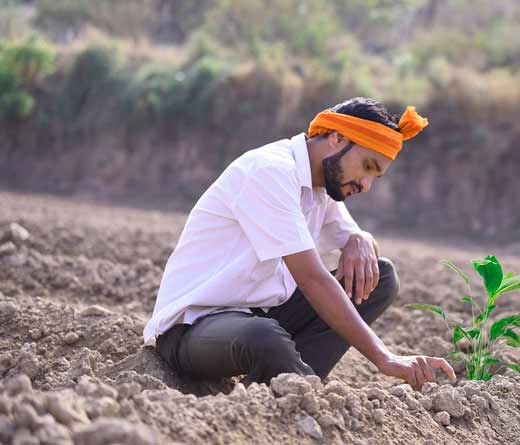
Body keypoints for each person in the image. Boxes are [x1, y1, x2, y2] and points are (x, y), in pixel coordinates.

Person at [143, 97, 455, 390]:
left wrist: (361, 238)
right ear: (337, 138)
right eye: (368, 166)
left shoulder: (323, 186)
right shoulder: (272, 171)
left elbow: (357, 242)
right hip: (193, 329)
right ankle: (304, 393)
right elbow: (312, 279)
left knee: (382, 277)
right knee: (264, 337)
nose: (366, 184)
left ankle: (283, 389)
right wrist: (384, 358)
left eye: (376, 176)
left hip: (255, 317)